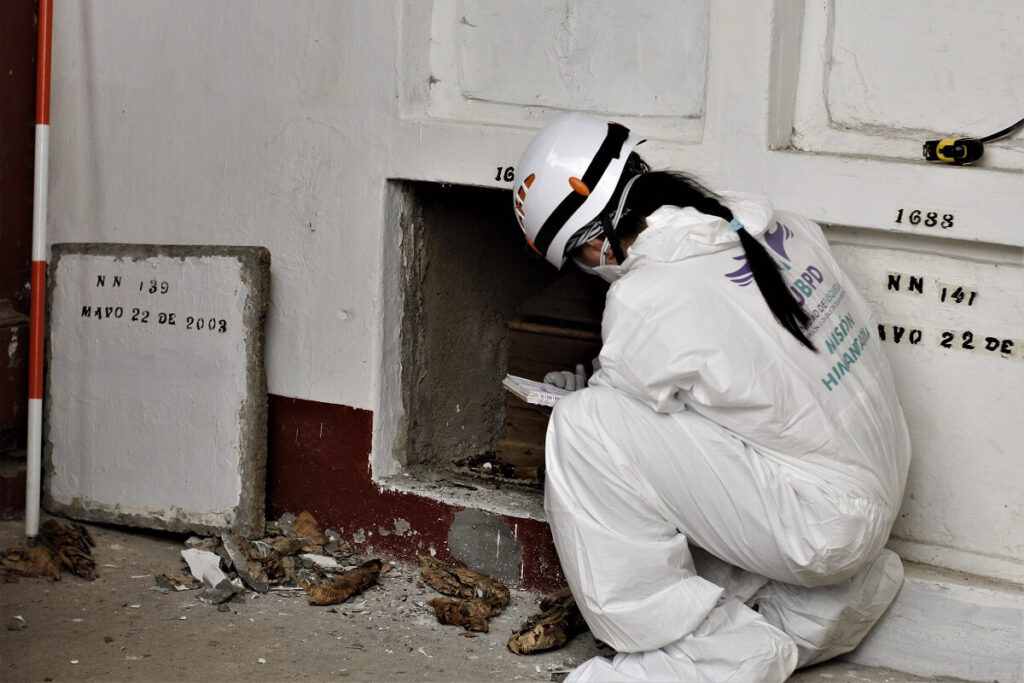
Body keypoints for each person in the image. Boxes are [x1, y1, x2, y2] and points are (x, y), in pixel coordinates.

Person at [511, 113, 911, 681]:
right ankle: (814, 608)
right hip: (874, 491)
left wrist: (585, 400)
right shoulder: (782, 227)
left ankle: (698, 654)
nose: (589, 270)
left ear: (594, 241)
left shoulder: (647, 297)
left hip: (821, 528)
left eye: (578, 258)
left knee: (579, 428)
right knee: (623, 421)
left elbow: (618, 434)